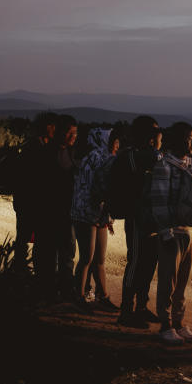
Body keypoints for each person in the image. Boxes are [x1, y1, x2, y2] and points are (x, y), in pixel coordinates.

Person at [149, 122, 192, 345]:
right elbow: (159, 202)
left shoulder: (190, 163)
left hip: (188, 231)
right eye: (188, 139)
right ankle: (165, 324)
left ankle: (178, 323)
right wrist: (166, 234)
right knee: (168, 281)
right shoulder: (163, 166)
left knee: (182, 282)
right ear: (176, 141)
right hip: (172, 232)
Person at [110, 116, 162, 328]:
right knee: (136, 261)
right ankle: (126, 310)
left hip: (150, 217)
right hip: (137, 217)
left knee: (149, 262)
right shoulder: (133, 157)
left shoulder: (140, 156)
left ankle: (140, 306)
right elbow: (135, 183)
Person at [70, 128, 119, 312]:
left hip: (97, 214)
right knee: (87, 258)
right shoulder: (96, 158)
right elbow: (96, 187)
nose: (117, 145)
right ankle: (80, 296)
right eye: (113, 141)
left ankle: (102, 296)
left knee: (98, 258)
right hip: (87, 213)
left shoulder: (100, 157)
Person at [35, 114, 78, 299]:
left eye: (75, 132)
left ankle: (66, 289)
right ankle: (48, 290)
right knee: (49, 253)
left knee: (67, 253)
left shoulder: (72, 153)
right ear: (60, 132)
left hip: (68, 212)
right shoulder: (46, 153)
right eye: (69, 132)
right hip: (50, 212)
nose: (73, 136)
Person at [15, 112, 58, 274]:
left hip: (32, 201)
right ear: (46, 126)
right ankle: (22, 269)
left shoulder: (41, 145)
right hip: (29, 201)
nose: (55, 129)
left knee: (31, 238)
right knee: (25, 237)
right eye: (52, 125)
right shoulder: (34, 147)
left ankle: (31, 270)